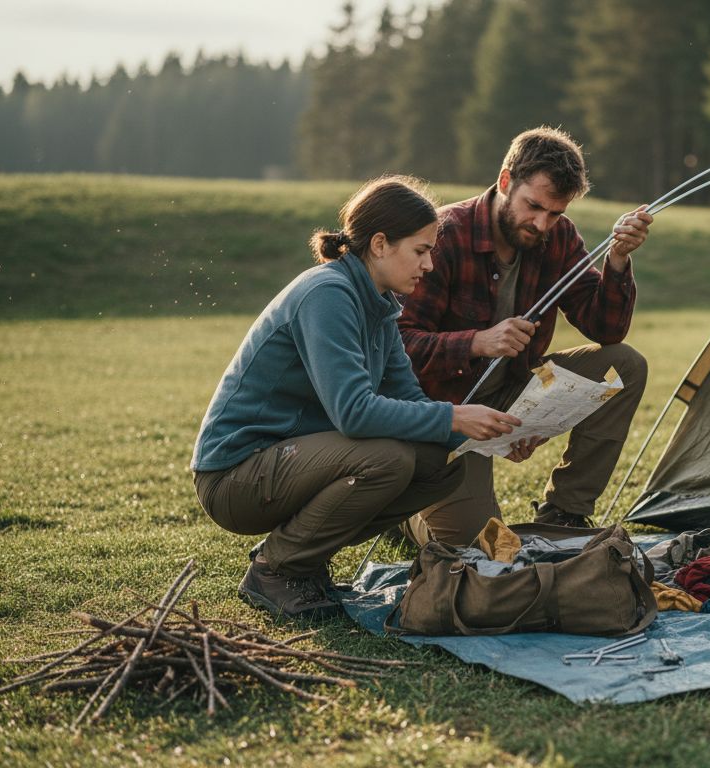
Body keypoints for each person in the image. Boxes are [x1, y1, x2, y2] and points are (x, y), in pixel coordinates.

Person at [190, 175, 527, 620]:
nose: (428, 265)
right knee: (388, 459)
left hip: (288, 464)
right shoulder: (327, 294)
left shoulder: (380, 305)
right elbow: (353, 413)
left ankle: (302, 559)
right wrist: (454, 417)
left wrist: (490, 436)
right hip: (234, 476)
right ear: (381, 243)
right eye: (421, 251)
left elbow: (409, 397)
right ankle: (275, 569)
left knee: (441, 463)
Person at [398, 126, 654, 545]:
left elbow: (605, 328)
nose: (542, 224)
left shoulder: (559, 236)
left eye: (555, 212)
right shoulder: (445, 234)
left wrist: (618, 260)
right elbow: (398, 346)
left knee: (624, 364)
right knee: (485, 547)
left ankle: (566, 512)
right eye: (533, 206)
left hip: (515, 395)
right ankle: (407, 515)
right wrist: (477, 341)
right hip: (447, 412)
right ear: (504, 181)